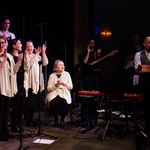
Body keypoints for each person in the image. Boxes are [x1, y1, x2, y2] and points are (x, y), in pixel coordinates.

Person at [0, 36, 21, 141]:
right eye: (0, 43)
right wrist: (2, 59)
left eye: (3, 42)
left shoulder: (9, 56)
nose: (1, 44)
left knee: (5, 110)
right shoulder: (2, 56)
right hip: (0, 86)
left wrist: (19, 61)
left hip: (7, 86)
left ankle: (5, 130)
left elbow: (13, 71)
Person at [23, 40, 48, 127]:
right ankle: (27, 120)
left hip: (37, 81)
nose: (30, 48)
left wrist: (43, 53)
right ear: (25, 48)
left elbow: (45, 62)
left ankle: (31, 119)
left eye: (31, 46)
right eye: (28, 46)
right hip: (29, 81)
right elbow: (29, 65)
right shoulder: (24, 56)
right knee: (29, 102)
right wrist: (37, 54)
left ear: (33, 48)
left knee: (34, 103)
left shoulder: (36, 56)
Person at [7, 38, 29, 132]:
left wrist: (26, 58)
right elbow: (13, 71)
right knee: (16, 104)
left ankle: (19, 122)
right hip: (14, 83)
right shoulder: (10, 57)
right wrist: (19, 60)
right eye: (19, 43)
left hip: (21, 82)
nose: (21, 45)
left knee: (22, 104)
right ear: (13, 46)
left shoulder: (21, 56)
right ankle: (14, 124)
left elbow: (27, 68)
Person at [45, 59, 73, 128]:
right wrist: (56, 85)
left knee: (63, 102)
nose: (63, 66)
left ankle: (62, 120)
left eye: (63, 65)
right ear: (56, 68)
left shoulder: (67, 74)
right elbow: (48, 88)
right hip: (54, 94)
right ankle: (56, 119)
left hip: (64, 94)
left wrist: (63, 83)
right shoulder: (52, 75)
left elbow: (70, 87)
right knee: (53, 102)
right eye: (60, 65)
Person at [134, 36, 150, 134]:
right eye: (149, 42)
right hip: (145, 84)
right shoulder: (138, 54)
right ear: (144, 44)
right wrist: (143, 68)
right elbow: (138, 70)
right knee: (147, 106)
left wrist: (146, 67)